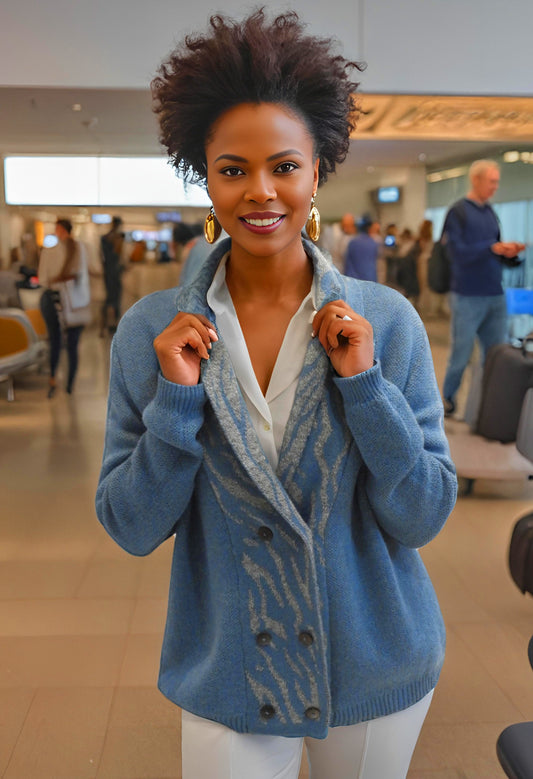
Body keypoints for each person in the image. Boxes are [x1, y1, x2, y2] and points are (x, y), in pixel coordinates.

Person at [95, 10, 457, 779]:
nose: (260, 192)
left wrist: (365, 388)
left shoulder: (381, 322)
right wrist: (176, 405)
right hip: (232, 666)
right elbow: (129, 525)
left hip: (373, 660)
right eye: (232, 169)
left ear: (317, 170)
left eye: (283, 166)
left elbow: (422, 512)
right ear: (204, 174)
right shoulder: (153, 331)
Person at [441, 160, 525, 416]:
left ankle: (489, 404)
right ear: (476, 180)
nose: (495, 187)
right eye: (492, 181)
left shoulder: (490, 212)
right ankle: (447, 400)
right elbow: (455, 253)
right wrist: (490, 248)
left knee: (496, 353)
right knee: (462, 353)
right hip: (467, 295)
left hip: (495, 293)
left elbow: (494, 248)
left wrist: (508, 253)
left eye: (497, 182)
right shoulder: (458, 212)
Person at [38, 218, 89, 397]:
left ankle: (55, 381)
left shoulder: (54, 251)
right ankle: (69, 385)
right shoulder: (79, 249)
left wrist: (56, 281)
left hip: (59, 300)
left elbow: (43, 278)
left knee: (56, 341)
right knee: (70, 344)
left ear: (59, 229)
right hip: (74, 302)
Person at [100, 216, 124, 334]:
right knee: (113, 299)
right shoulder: (114, 238)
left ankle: (107, 324)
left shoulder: (106, 238)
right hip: (113, 272)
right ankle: (111, 323)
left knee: (111, 298)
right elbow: (116, 254)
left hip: (109, 272)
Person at [344, 213, 379, 281]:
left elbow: (348, 264)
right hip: (369, 280)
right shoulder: (373, 243)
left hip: (354, 280)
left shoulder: (353, 242)